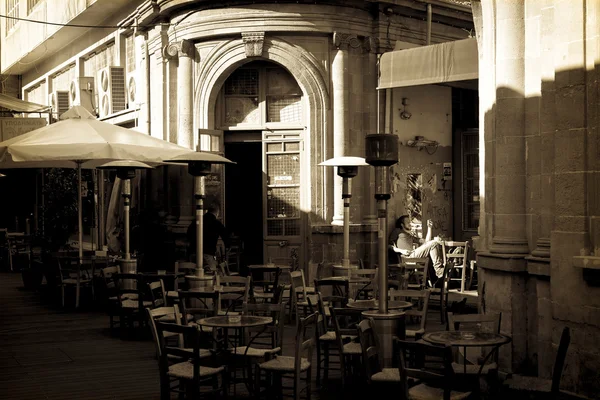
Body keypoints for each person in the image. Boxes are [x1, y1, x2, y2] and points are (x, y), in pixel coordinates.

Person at [391, 215, 444, 286]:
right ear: (402, 224)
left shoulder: (410, 234)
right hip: (407, 257)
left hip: (413, 254)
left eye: (410, 222)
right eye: (407, 222)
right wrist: (401, 251)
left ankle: (437, 278)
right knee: (433, 243)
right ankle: (440, 273)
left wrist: (429, 228)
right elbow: (389, 246)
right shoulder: (397, 231)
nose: (410, 223)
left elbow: (426, 242)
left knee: (433, 243)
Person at [187, 202, 230, 273]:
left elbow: (188, 234)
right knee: (211, 276)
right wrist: (228, 247)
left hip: (193, 253)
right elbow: (226, 235)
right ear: (217, 212)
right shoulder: (216, 223)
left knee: (194, 277)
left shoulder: (197, 220)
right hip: (208, 254)